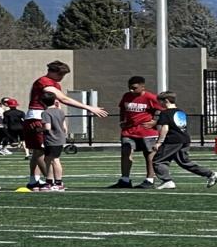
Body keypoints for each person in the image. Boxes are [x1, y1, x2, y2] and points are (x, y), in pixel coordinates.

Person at [24, 60, 106, 188]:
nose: (62, 77)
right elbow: (64, 99)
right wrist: (89, 107)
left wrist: (62, 122)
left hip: (46, 116)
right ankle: (49, 181)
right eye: (60, 74)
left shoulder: (55, 84)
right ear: (52, 72)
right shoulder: (44, 82)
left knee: (39, 151)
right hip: (37, 117)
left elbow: (57, 104)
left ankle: (34, 181)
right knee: (41, 150)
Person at [150, 91, 217, 190]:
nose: (159, 104)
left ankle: (167, 181)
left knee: (158, 161)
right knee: (184, 162)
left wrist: (159, 142)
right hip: (184, 139)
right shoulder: (181, 111)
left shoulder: (165, 113)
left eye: (160, 102)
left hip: (172, 140)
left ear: (166, 101)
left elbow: (165, 128)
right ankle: (211, 174)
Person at [113, 76, 160, 188]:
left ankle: (150, 179)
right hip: (129, 131)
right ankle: (125, 180)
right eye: (129, 87)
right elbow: (122, 109)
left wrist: (155, 122)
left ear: (142, 87)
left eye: (134, 88)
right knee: (126, 151)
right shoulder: (126, 96)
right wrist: (122, 121)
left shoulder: (150, 97)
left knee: (149, 154)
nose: (131, 90)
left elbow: (164, 110)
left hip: (147, 131)